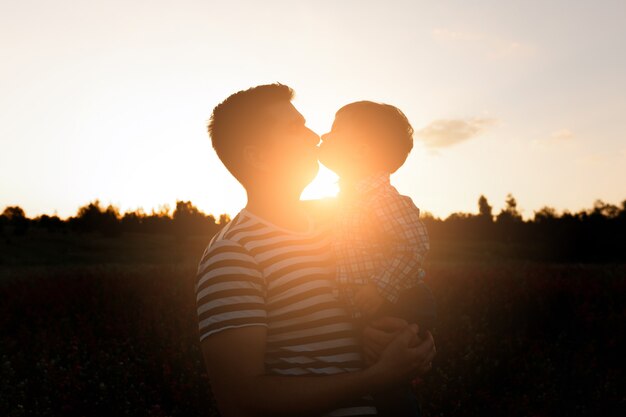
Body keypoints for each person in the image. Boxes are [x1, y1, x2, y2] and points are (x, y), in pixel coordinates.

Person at [195, 84, 436, 417]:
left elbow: (406, 276)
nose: (313, 136)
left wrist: (409, 339)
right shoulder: (234, 255)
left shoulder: (345, 223)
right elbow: (241, 401)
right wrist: (375, 377)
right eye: (296, 128)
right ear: (258, 157)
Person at [319, 101, 437, 416]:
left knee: (392, 388)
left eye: (335, 131)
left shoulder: (383, 200)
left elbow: (413, 246)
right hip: (371, 305)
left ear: (359, 150)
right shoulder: (346, 201)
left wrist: (379, 288)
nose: (324, 136)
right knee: (379, 378)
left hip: (396, 300)